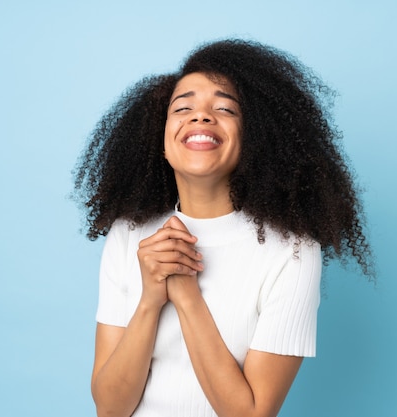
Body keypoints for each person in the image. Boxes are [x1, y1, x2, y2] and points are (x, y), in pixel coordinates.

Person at [73, 39, 373, 417]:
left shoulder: (292, 251)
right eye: (183, 107)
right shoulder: (129, 234)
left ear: (255, 137)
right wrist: (151, 298)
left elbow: (250, 414)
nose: (200, 117)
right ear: (159, 140)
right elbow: (109, 408)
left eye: (225, 108)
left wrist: (185, 294)